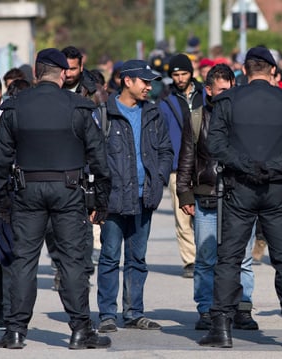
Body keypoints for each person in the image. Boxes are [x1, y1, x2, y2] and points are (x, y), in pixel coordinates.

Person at [0, 48, 111, 350]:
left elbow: (1, 160)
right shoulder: (79, 107)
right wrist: (101, 200)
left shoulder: (14, 107)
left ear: (35, 72)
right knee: (72, 261)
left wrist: (2, 199)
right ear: (63, 74)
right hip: (69, 191)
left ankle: (16, 331)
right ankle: (80, 330)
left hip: (26, 190)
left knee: (24, 262)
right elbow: (99, 158)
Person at [199, 46, 282, 349]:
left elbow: (216, 144)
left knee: (229, 258)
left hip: (240, 188)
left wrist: (248, 166)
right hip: (276, 190)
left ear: (244, 71)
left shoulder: (227, 101)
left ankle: (222, 327)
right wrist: (272, 168)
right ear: (273, 71)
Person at [176, 64, 259, 331]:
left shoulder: (245, 117)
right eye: (221, 90)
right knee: (206, 257)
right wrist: (185, 193)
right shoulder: (197, 117)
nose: (226, 94)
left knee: (243, 258)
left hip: (240, 196)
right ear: (208, 90)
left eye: (230, 89)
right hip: (207, 196)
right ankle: (206, 310)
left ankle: (242, 309)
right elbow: (187, 157)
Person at [96, 59, 173, 333]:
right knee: (109, 256)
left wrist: (159, 177)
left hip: (144, 198)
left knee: (137, 258)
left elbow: (166, 150)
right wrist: (95, 198)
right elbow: (92, 156)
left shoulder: (153, 113)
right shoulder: (103, 114)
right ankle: (107, 314)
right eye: (144, 81)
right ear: (127, 81)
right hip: (114, 199)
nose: (149, 87)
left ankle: (134, 313)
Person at [158, 53, 203, 278]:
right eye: (175, 75)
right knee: (182, 215)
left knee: (205, 215)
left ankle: (206, 256)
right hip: (178, 167)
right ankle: (190, 260)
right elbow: (162, 136)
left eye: (183, 73)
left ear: (191, 73)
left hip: (205, 165)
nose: (180, 78)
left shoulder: (205, 95)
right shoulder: (166, 103)